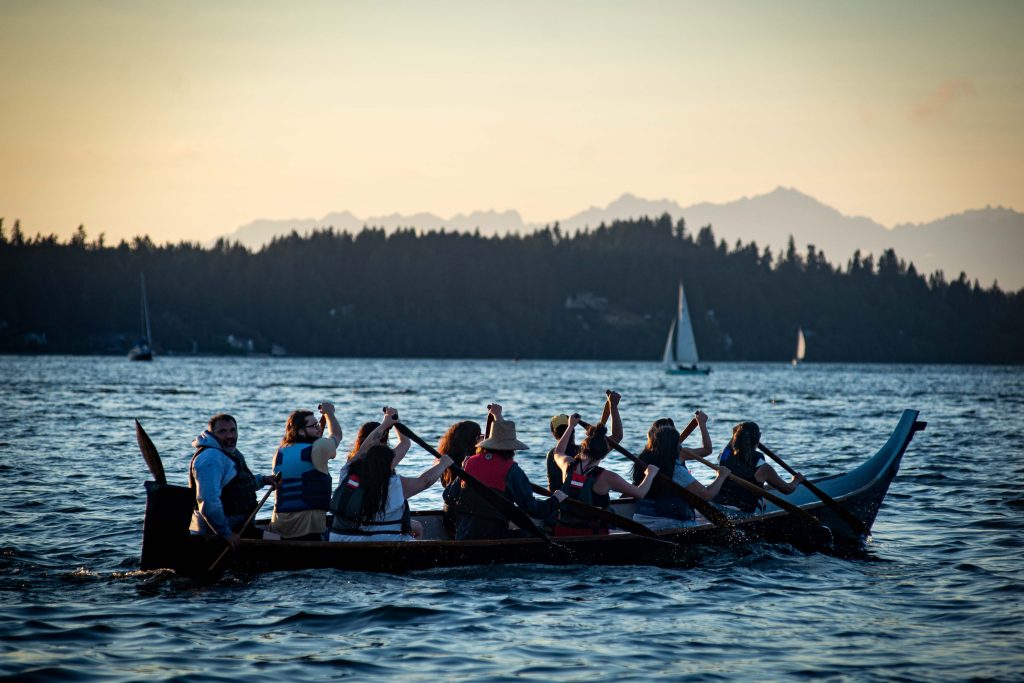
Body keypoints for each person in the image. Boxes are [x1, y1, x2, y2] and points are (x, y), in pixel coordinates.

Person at [443, 404, 567, 540]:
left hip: (463, 535)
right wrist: (556, 499)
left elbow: (448, 496)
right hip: (494, 537)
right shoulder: (512, 471)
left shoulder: (468, 462)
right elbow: (534, 510)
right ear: (511, 448)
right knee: (536, 533)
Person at [329, 407, 452, 542]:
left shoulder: (347, 471)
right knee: (416, 531)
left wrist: (385, 424)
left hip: (338, 537)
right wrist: (442, 464)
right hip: (379, 541)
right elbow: (425, 481)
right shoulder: (394, 484)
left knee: (414, 526)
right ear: (389, 464)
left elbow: (364, 449)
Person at [551, 413, 659, 536]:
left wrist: (571, 426)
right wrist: (650, 474)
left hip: (562, 530)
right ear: (604, 454)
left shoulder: (568, 465)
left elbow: (558, 451)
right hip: (590, 534)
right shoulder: (607, 477)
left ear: (584, 447)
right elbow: (640, 493)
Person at [189, 413, 277, 550]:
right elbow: (207, 501)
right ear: (211, 434)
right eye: (222, 431)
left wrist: (264, 480)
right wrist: (225, 533)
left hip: (241, 528)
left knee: (277, 538)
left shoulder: (231, 452)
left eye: (233, 430)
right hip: (220, 535)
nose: (230, 436)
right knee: (277, 541)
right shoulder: (210, 458)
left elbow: (237, 486)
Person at [631, 411, 731, 530]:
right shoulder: (676, 468)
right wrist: (721, 476)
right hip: (666, 522)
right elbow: (707, 495)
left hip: (640, 519)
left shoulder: (642, 458)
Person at [268, 402, 342, 540]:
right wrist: (330, 413)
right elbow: (336, 435)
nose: (318, 429)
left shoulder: (280, 452)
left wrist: (316, 431)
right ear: (301, 431)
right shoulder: (319, 446)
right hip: (308, 529)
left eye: (318, 425)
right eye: (314, 426)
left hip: (279, 526)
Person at [713, 421, 804, 513]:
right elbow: (787, 489)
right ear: (758, 438)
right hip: (739, 514)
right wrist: (796, 480)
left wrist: (737, 433)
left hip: (714, 507)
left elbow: (731, 444)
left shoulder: (724, 456)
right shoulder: (763, 467)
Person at [546, 391, 623, 491]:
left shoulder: (552, 455)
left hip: (555, 501)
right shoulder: (584, 452)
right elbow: (617, 436)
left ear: (553, 433)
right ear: (573, 430)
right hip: (581, 501)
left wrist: (600, 428)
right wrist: (613, 407)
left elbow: (596, 439)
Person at [437, 420, 483, 538]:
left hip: (449, 517)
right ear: (475, 439)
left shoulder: (447, 459)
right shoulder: (473, 462)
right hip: (464, 520)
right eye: (480, 436)